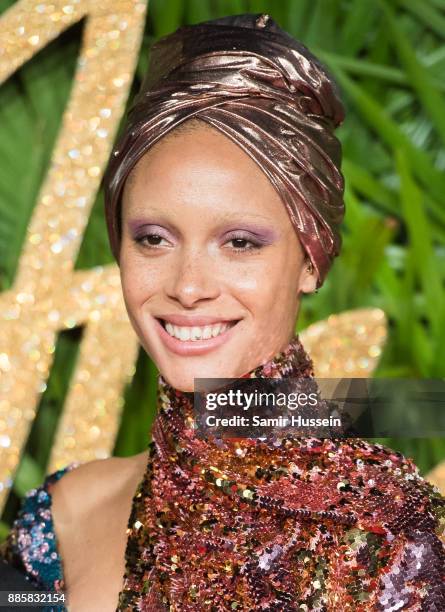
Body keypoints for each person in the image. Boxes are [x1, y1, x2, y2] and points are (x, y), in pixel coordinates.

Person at [1, 13, 444, 612]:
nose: (188, 287)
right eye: (154, 238)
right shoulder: (60, 516)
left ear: (311, 260)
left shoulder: (383, 533)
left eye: (240, 243)